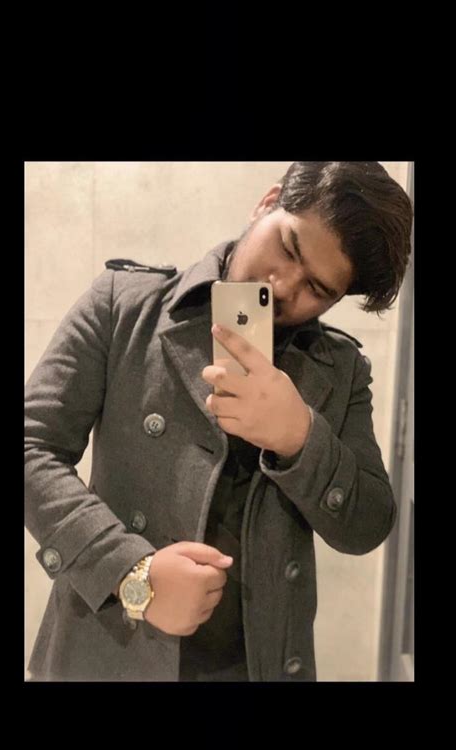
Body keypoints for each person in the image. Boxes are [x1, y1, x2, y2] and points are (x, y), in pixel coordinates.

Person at [25, 161, 413, 682]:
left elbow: (368, 524)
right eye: (289, 247)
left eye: (317, 288)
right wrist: (133, 573)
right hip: (113, 648)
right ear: (268, 202)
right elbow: (31, 447)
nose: (282, 286)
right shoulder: (125, 306)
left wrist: (300, 438)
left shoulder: (340, 369)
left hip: (256, 666)